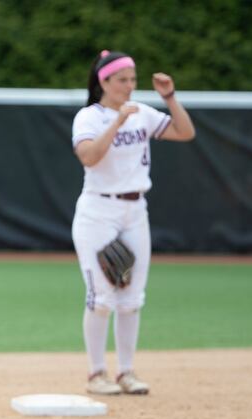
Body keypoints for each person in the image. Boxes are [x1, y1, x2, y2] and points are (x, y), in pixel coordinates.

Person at [71, 51, 195, 395]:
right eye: (122, 79)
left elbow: (185, 132)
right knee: (101, 298)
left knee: (132, 298)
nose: (129, 86)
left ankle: (126, 372)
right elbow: (89, 157)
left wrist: (168, 96)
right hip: (98, 213)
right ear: (104, 82)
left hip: (135, 210)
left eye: (132, 79)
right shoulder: (89, 117)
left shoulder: (142, 113)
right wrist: (116, 123)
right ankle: (97, 374)